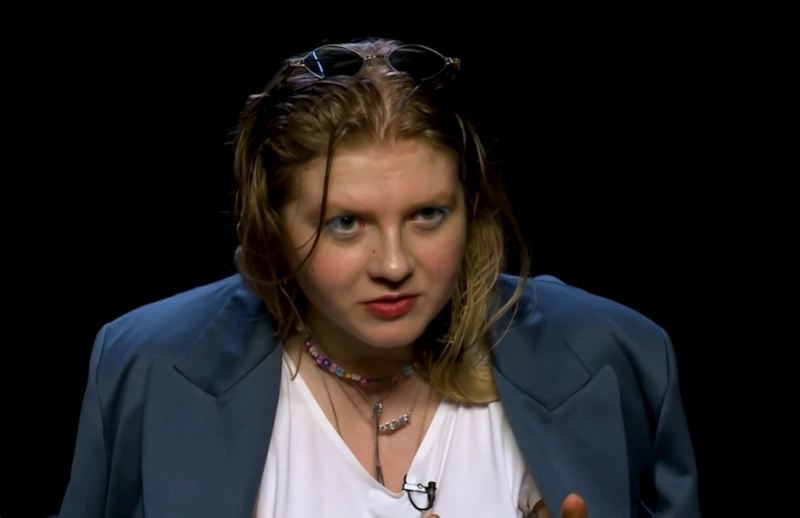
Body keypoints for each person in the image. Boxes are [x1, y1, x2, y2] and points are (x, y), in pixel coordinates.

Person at [53, 38, 699, 518]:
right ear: (271, 224)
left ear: (473, 207)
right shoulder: (145, 366)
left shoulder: (619, 356)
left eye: (428, 215)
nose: (393, 265)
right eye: (345, 223)